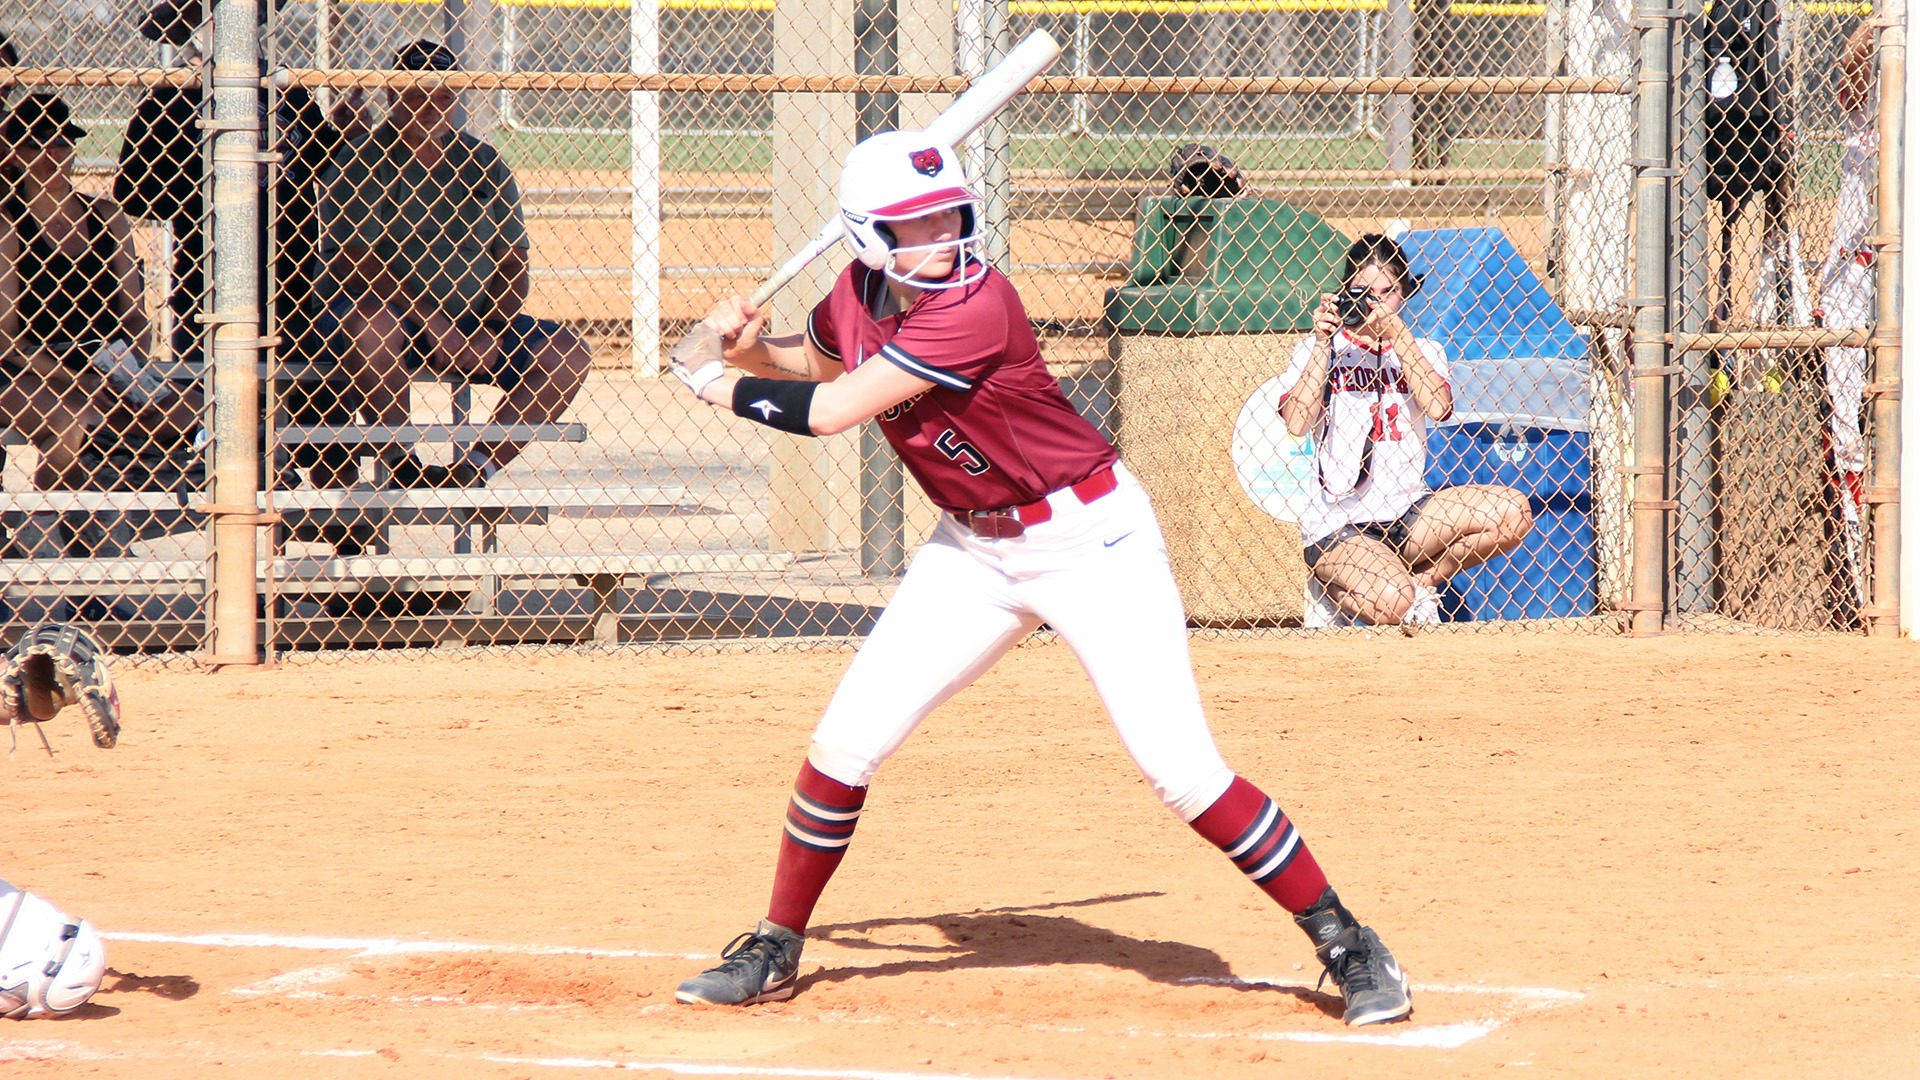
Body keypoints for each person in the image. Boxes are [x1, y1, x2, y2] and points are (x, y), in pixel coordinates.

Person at [663, 129, 1413, 1027]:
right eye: (917, 224)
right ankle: (777, 943)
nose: (942, 236)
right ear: (868, 237)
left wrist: (707, 379)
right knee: (843, 745)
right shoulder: (857, 290)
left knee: (1182, 773)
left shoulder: (976, 305)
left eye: (950, 215)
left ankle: (1348, 941)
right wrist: (744, 352)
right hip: (972, 552)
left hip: (1091, 541)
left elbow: (829, 412)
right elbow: (820, 362)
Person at [317, 39, 591, 489]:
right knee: (374, 326)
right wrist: (433, 320)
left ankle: (474, 468)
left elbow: (512, 261)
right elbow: (356, 264)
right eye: (417, 94)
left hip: (470, 324)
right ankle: (402, 460)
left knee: (568, 353)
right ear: (392, 96)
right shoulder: (364, 159)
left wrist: (493, 323)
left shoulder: (483, 162)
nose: (431, 107)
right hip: (383, 318)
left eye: (443, 96)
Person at [1277, 233, 1533, 628]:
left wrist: (1397, 337)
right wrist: (1323, 344)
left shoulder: (1423, 348)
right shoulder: (1320, 348)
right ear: (1346, 292)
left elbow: (1438, 407)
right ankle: (1338, 590)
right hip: (1339, 524)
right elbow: (1296, 422)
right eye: (1362, 291)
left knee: (1512, 512)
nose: (1375, 302)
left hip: (1408, 514)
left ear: (1404, 294)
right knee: (1392, 603)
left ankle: (1421, 582)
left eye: (1387, 292)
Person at [2, 93, 201, 494]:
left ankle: (109, 514)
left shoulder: (105, 216)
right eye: (38, 144)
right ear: (16, 155)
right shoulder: (9, 222)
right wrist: (75, 379)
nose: (53, 154)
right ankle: (49, 520)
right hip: (30, 365)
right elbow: (7, 338)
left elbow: (133, 316)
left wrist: (125, 372)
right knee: (75, 419)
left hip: (104, 360)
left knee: (194, 409)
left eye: (61, 142)